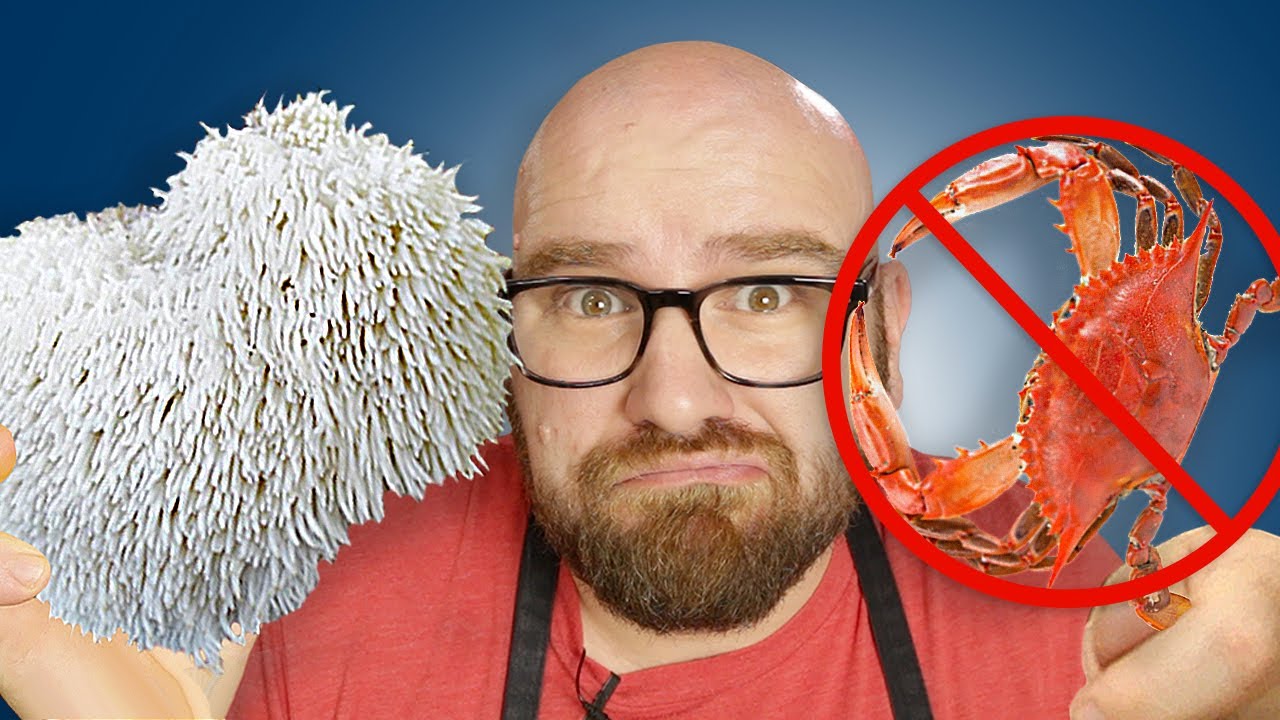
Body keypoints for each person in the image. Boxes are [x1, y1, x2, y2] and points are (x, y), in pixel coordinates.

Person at [1, 41, 1278, 719]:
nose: (672, 398)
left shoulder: (1101, 637)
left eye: (768, 291)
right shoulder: (300, 599)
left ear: (883, 322)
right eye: (592, 298)